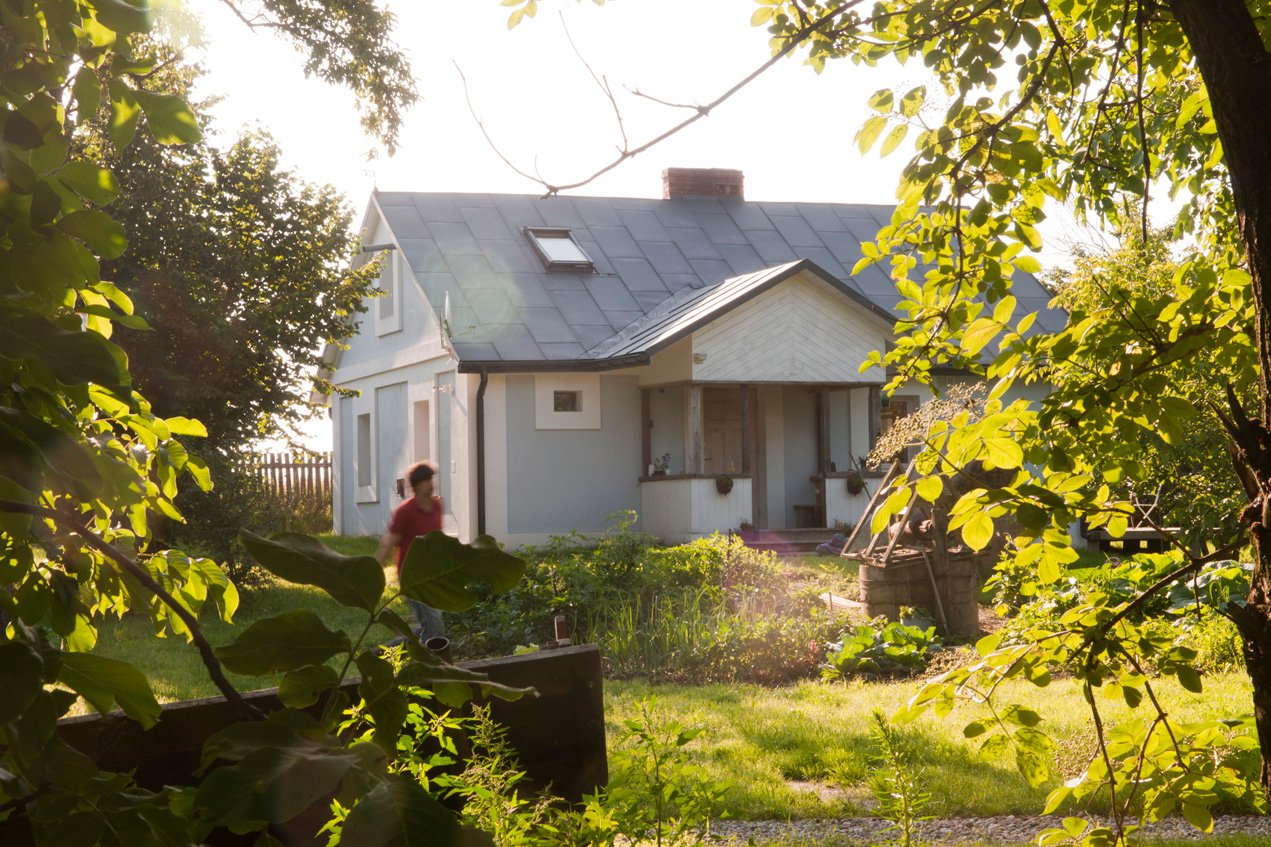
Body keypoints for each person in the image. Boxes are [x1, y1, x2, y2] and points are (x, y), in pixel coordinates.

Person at [375, 461, 446, 639]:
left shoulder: (437, 506)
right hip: (411, 577)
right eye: (426, 480)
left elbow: (437, 539)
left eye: (431, 479)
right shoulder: (405, 512)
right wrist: (373, 572)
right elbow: (389, 543)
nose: (431, 483)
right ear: (416, 485)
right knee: (433, 624)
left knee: (428, 626)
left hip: (432, 575)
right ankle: (428, 663)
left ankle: (386, 652)